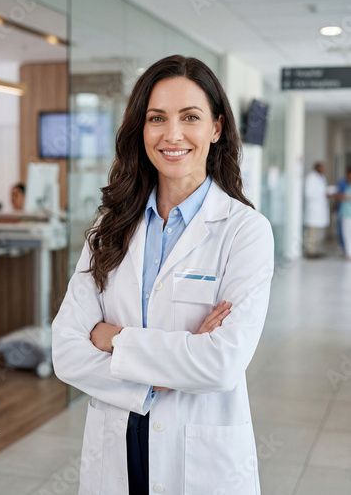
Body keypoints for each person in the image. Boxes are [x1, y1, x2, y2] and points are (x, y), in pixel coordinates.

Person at [52, 55, 274, 495]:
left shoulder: (245, 231)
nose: (172, 135)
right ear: (141, 129)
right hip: (116, 441)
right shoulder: (108, 228)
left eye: (190, 117)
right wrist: (180, 359)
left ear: (216, 128)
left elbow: (221, 364)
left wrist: (111, 339)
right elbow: (65, 351)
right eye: (157, 118)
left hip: (198, 455)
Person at [303, 161, 329, 258]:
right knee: (311, 234)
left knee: (317, 235)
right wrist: (323, 195)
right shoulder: (311, 178)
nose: (324, 170)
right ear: (317, 168)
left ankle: (315, 251)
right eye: (322, 167)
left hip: (319, 211)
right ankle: (310, 252)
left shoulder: (321, 177)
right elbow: (308, 194)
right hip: (313, 211)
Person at [337, 168, 351, 260]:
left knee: (348, 234)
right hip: (345, 213)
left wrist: (343, 197)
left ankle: (349, 253)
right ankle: (348, 252)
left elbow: (345, 197)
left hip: (348, 213)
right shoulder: (346, 185)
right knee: (346, 234)